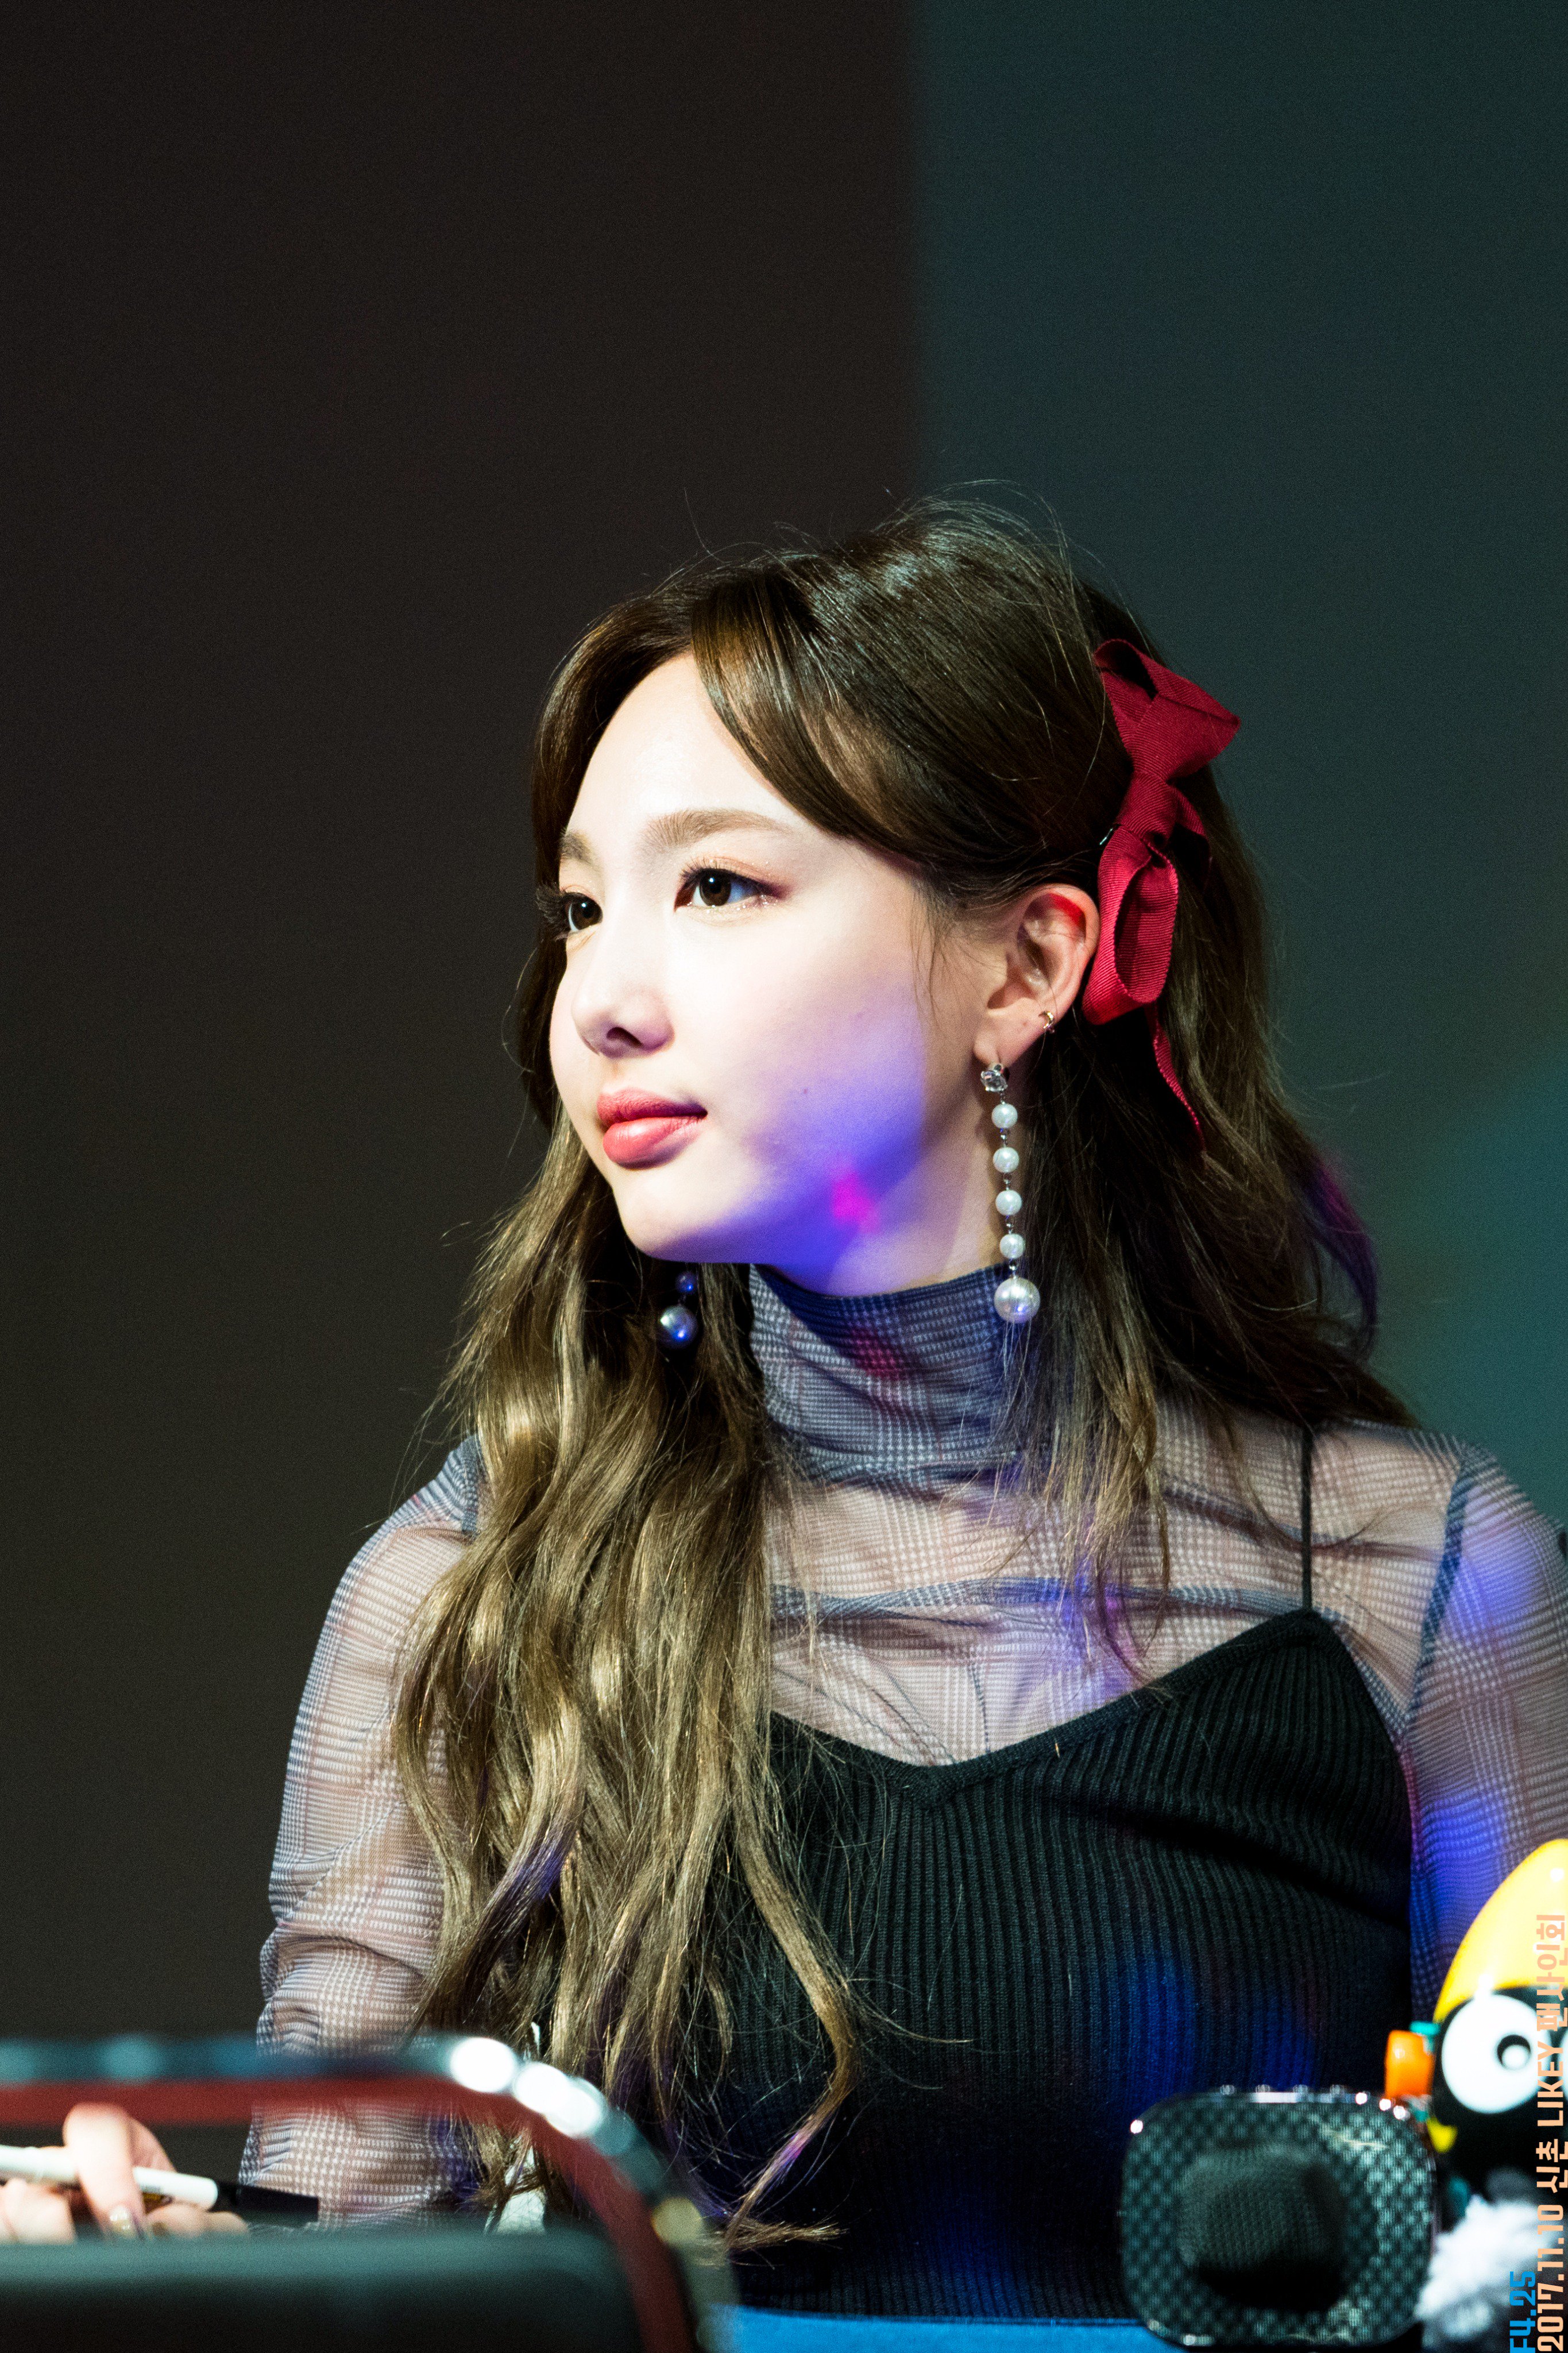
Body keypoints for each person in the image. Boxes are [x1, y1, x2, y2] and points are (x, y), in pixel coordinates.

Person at [14, 507, 1566, 2310]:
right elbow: (358, 2282)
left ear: (1025, 966)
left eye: (717, 889)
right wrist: (162, 2267)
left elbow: (1543, 2263)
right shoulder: (475, 1598)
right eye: (581, 911)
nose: (602, 1002)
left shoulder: (1410, 1574)